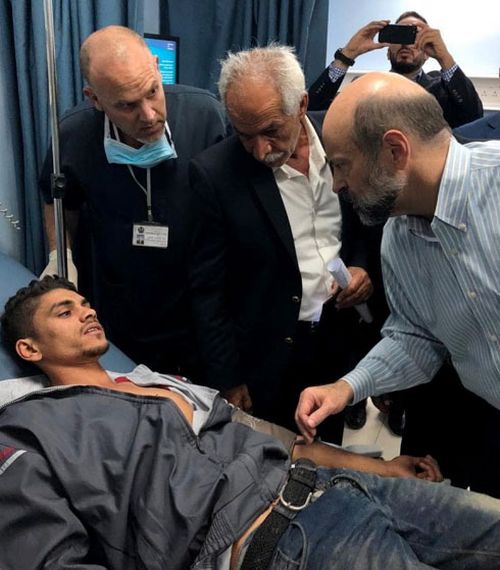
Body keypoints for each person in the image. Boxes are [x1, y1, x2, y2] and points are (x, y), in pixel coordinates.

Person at [4, 276, 500, 570]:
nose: (87, 313)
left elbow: (274, 439)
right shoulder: (29, 431)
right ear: (29, 349)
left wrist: (381, 469)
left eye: (85, 304)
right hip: (279, 537)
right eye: (65, 312)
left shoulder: (158, 383)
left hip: (334, 486)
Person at [295, 71, 500, 498]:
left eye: (341, 165)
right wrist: (345, 387)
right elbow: (416, 337)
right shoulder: (398, 237)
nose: (337, 185)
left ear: (394, 150)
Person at [188, 45, 374, 443]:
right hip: (267, 355)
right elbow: (208, 290)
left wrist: (361, 268)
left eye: (272, 130)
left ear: (302, 104)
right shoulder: (214, 175)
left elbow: (367, 225)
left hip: (337, 339)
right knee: (270, 464)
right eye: (244, 134)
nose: (260, 150)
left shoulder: (344, 141)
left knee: (329, 457)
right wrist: (228, 377)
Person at [39, 26, 228, 378]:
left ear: (157, 67)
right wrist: (58, 255)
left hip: (198, 304)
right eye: (126, 106)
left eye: (152, 92)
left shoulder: (207, 116)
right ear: (94, 99)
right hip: (121, 303)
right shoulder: (74, 136)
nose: (149, 115)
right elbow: (58, 200)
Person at [308, 11, 483, 129]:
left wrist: (445, 57)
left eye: (415, 36)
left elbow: (474, 117)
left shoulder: (443, 90)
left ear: (427, 52)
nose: (406, 43)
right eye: (400, 35)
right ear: (388, 50)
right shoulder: (364, 87)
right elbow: (313, 110)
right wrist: (347, 55)